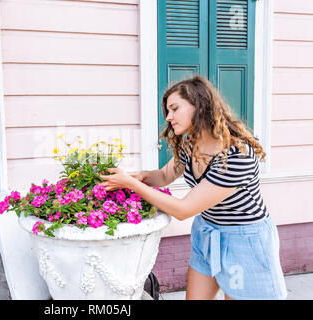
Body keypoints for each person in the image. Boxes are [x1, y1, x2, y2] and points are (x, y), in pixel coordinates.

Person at [99, 75, 287, 300]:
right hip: (207, 233)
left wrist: (130, 185)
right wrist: (136, 177)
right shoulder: (191, 144)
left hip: (243, 240)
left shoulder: (237, 155)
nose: (169, 117)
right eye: (167, 111)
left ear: (199, 105)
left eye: (174, 109)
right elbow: (163, 176)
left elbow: (183, 209)